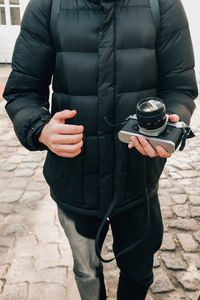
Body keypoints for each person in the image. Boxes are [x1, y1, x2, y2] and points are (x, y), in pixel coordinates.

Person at [3, 0, 198, 299]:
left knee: (139, 272)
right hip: (73, 181)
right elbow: (23, 91)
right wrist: (40, 129)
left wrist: (172, 120)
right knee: (86, 271)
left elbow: (180, 87)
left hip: (139, 181)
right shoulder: (47, 4)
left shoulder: (163, 4)